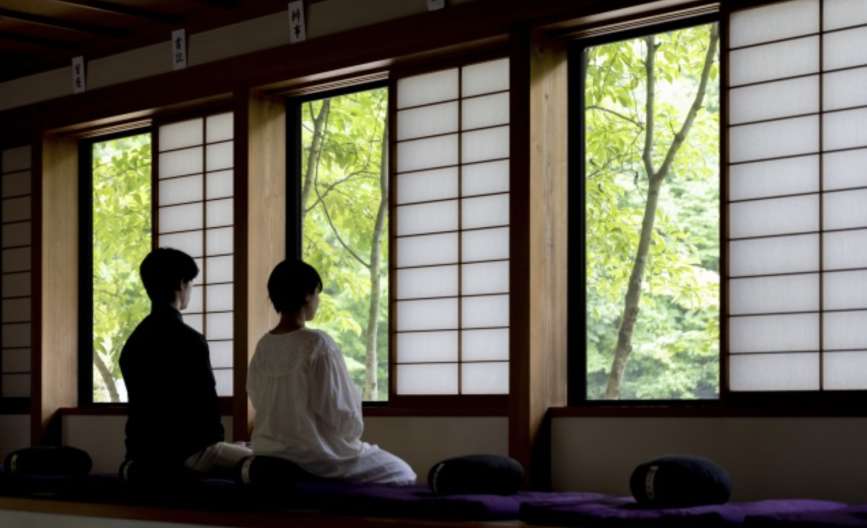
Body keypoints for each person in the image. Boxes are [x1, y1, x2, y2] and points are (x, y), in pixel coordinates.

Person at [247, 259, 416, 485]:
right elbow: (342, 415)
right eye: (317, 294)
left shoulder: (263, 345)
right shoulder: (317, 343)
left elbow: (258, 400)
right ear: (307, 295)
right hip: (316, 458)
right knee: (403, 473)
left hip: (269, 455)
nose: (318, 301)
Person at [119, 247, 251, 479]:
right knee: (263, 461)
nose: (191, 290)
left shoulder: (133, 343)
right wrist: (221, 446)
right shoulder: (189, 340)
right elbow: (207, 409)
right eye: (191, 284)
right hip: (187, 455)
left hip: (141, 457)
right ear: (181, 283)